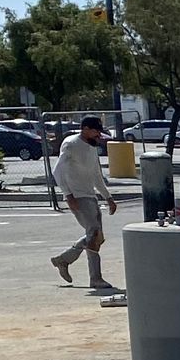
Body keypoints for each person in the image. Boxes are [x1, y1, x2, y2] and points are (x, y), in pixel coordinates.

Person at [49, 116, 118, 288]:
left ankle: (63, 259)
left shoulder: (91, 147)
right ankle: (95, 278)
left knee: (97, 237)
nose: (98, 135)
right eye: (95, 131)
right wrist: (68, 195)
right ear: (85, 129)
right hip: (78, 196)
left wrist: (108, 197)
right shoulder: (71, 144)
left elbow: (96, 175)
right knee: (94, 235)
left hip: (90, 195)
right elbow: (57, 171)